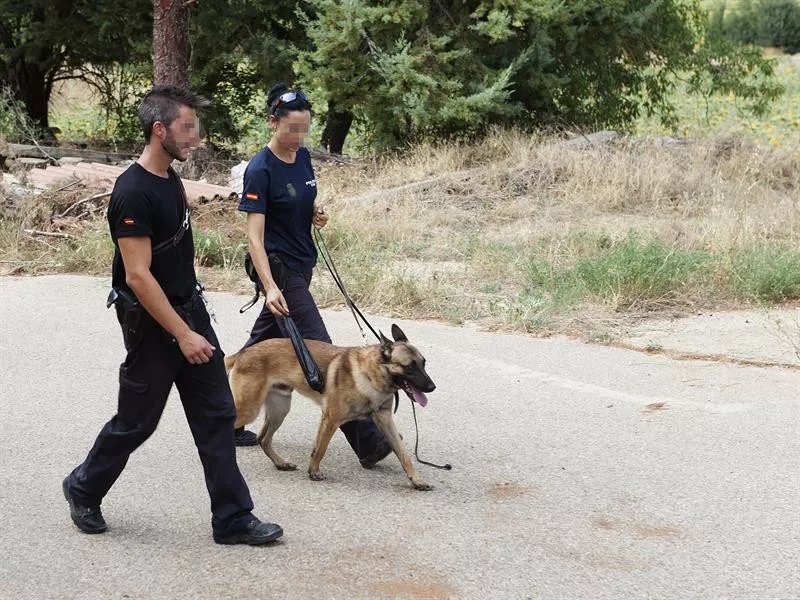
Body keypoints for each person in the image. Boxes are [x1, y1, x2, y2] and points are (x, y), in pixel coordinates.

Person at [62, 85, 282, 546]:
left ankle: (233, 519)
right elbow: (139, 277)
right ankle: (83, 486)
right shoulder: (132, 192)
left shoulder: (170, 180)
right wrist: (183, 334)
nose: (194, 139)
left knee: (217, 415)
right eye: (187, 129)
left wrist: (194, 320)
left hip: (189, 315)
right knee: (137, 420)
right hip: (154, 328)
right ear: (159, 129)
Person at [235, 83, 391, 467]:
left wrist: (315, 213)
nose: (297, 138)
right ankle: (367, 439)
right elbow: (254, 237)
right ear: (273, 122)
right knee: (319, 349)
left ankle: (220, 413)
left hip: (303, 265)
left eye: (304, 130)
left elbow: (301, 203)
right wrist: (269, 287)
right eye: (291, 130)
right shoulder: (260, 169)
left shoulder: (302, 158)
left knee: (263, 343)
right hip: (279, 269)